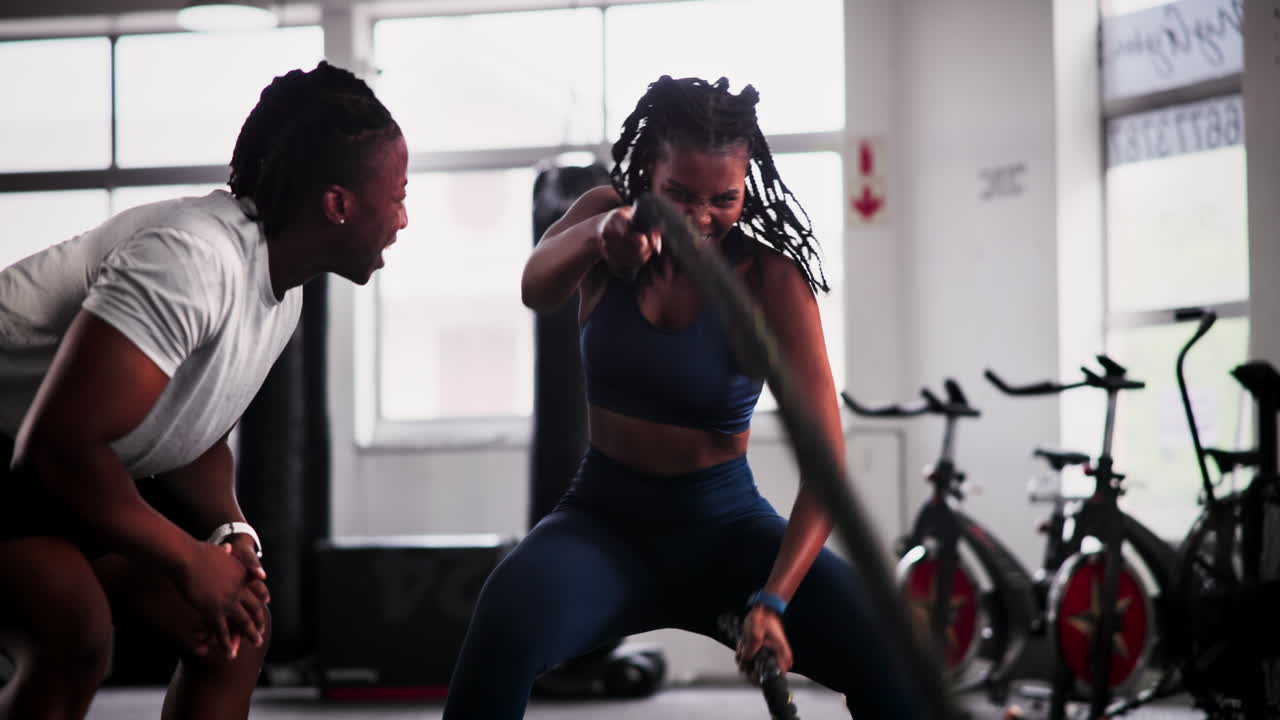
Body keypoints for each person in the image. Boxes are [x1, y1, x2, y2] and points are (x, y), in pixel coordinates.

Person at [442, 75, 924, 718]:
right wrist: (599, 233)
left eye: (724, 198)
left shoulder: (771, 281)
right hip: (602, 524)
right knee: (503, 622)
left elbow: (825, 468)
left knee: (891, 649)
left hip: (727, 532)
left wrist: (773, 599)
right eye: (679, 195)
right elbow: (536, 287)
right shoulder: (604, 220)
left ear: (746, 184)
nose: (700, 216)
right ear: (649, 173)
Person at [0, 60, 407, 720]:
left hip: (68, 466)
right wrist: (189, 560)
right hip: (29, 455)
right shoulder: (190, 259)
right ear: (338, 205)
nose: (404, 218)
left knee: (233, 632)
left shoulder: (281, 293)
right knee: (72, 629)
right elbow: (59, 448)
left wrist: (228, 528)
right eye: (398, 195)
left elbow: (192, 428)